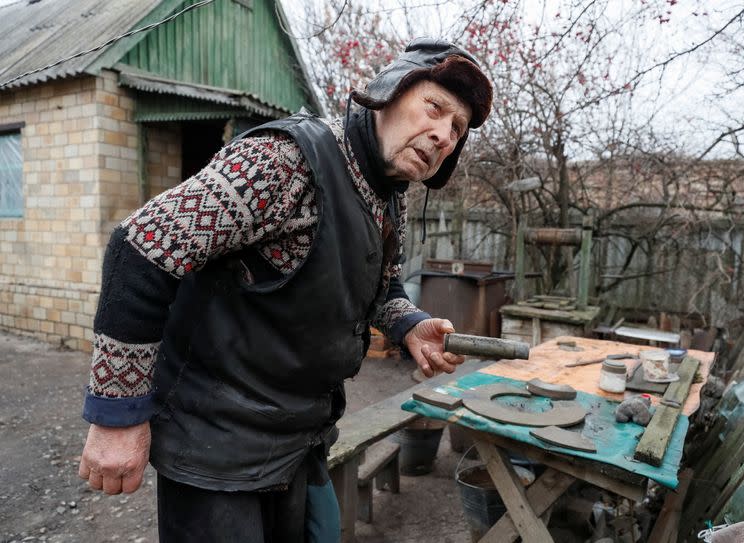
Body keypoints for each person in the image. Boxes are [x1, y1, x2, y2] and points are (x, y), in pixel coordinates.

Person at [78, 38, 493, 542]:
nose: (444, 135)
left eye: (457, 129)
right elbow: (140, 247)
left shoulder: (388, 198)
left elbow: (380, 287)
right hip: (217, 450)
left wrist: (408, 324)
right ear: (391, 91)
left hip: (298, 440)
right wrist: (118, 416)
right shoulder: (286, 161)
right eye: (435, 108)